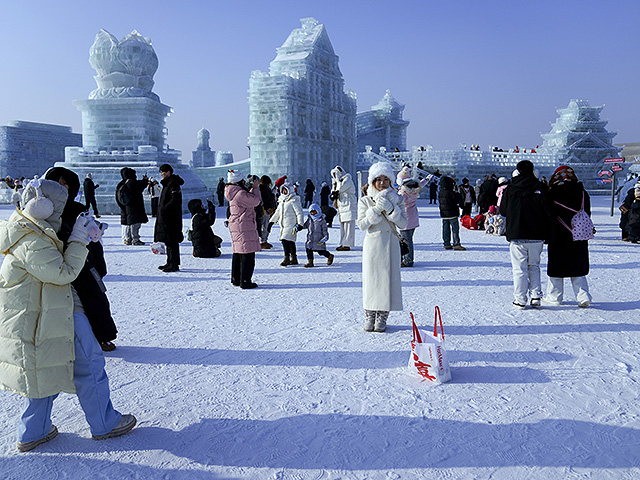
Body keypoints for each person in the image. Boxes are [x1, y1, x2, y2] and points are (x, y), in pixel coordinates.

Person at [0, 179, 136, 452]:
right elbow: (62, 273)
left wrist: (84, 235)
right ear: (42, 207)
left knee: (44, 371)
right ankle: (104, 423)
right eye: (59, 210)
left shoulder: (31, 230)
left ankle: (33, 431)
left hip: (43, 313)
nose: (61, 216)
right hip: (53, 313)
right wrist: (78, 239)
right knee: (89, 363)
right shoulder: (32, 241)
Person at [46, 167, 118, 352]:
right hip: (54, 262)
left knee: (94, 298)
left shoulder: (78, 209)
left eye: (65, 183)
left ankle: (102, 336)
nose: (62, 187)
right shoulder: (44, 210)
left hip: (82, 262)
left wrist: (98, 265)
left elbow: (94, 242)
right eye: (56, 183)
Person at [357, 162, 407, 333]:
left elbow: (403, 223)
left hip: (390, 244)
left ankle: (383, 315)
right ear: (372, 181)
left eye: (386, 179)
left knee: (387, 280)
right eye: (378, 179)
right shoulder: (365, 200)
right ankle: (369, 314)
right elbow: (362, 225)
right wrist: (375, 211)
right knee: (371, 280)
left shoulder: (398, 199)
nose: (382, 183)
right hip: (372, 245)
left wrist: (392, 209)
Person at [500, 160, 550, 309]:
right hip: (537, 234)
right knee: (534, 266)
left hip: (517, 233)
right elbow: (548, 210)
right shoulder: (540, 187)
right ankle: (536, 296)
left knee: (519, 269)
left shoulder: (510, 189)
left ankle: (520, 299)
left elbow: (503, 211)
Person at [544, 166, 593, 307]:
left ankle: (555, 297)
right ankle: (583, 295)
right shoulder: (583, 192)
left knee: (556, 266)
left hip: (558, 233)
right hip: (579, 233)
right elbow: (587, 213)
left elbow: (548, 214)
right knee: (578, 265)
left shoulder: (552, 192)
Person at [225, 170, 262, 288]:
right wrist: (255, 188)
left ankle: (236, 279)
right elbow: (255, 201)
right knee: (248, 253)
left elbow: (248, 200)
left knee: (238, 252)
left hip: (237, 224)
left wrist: (249, 188)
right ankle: (245, 281)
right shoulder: (240, 194)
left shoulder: (232, 191)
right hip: (244, 225)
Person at [154, 164, 184, 272]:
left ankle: (174, 264)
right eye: (161, 172)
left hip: (171, 217)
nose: (162, 174)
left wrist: (165, 209)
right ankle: (170, 261)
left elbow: (174, 200)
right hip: (166, 217)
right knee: (168, 241)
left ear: (169, 172)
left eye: (164, 172)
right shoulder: (168, 184)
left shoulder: (173, 184)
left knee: (172, 241)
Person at [269, 182, 304, 266]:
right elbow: (277, 213)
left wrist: (300, 224)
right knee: (290, 241)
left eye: (286, 190)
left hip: (291, 225)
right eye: (283, 190)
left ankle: (287, 258)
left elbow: (299, 213)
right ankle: (294, 258)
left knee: (285, 240)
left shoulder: (294, 200)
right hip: (283, 225)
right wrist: (271, 222)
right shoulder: (281, 201)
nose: (284, 192)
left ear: (290, 190)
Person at [398, 176, 429, 267]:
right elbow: (421, 184)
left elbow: (396, 201)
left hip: (405, 218)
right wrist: (426, 179)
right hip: (413, 217)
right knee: (408, 240)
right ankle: (406, 259)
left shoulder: (403, 193)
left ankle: (408, 260)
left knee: (406, 241)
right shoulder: (415, 191)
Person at [116, 167, 148, 246]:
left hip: (128, 207)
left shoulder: (123, 183)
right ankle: (135, 240)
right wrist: (145, 180)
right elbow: (140, 186)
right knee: (135, 224)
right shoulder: (132, 182)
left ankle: (129, 239)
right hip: (135, 206)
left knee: (130, 224)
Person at [298, 202, 334, 267]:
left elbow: (325, 230)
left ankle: (329, 256)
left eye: (314, 212)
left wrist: (325, 237)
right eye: (311, 212)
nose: (313, 213)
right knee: (309, 250)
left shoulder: (322, 220)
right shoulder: (309, 219)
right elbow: (305, 225)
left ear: (318, 211)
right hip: (310, 239)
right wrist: (299, 227)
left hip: (319, 240)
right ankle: (310, 262)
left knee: (321, 252)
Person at [331, 166, 357, 251]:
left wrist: (337, 180)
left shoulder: (347, 178)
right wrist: (334, 183)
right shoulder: (338, 182)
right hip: (342, 206)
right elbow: (334, 191)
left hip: (349, 205)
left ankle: (347, 244)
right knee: (342, 226)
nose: (335, 177)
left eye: (336, 174)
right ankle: (342, 243)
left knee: (349, 226)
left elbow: (341, 189)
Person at [438, 176, 466, 251]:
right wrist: (457, 192)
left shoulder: (441, 192)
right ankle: (456, 243)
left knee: (445, 229)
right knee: (455, 229)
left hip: (444, 213)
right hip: (452, 213)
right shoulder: (451, 192)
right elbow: (457, 200)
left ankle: (446, 243)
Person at [258, 175, 276, 249]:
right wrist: (268, 208)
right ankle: (262, 241)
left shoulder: (265, 188)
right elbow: (264, 200)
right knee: (264, 226)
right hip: (264, 210)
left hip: (266, 209)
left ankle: (264, 240)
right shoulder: (263, 188)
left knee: (266, 225)